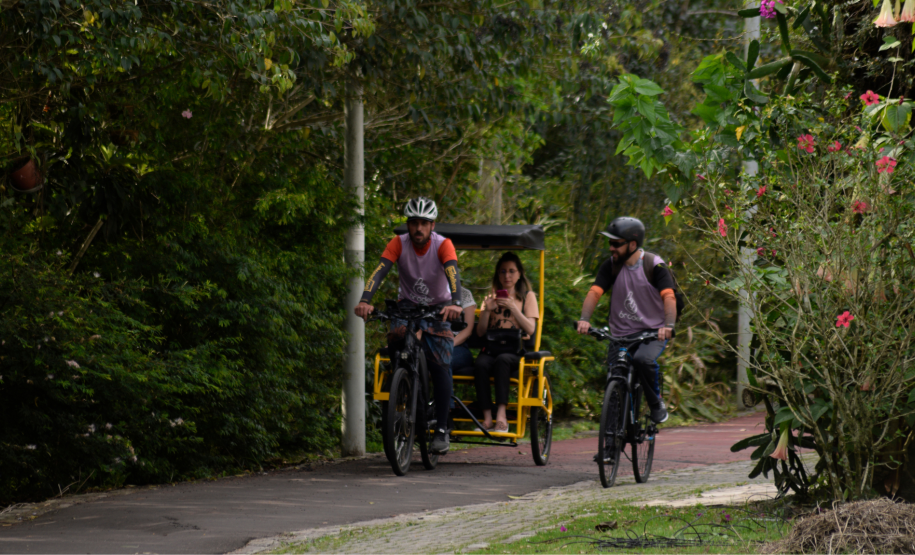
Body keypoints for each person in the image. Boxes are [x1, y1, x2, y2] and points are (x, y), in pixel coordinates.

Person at [354, 197, 463, 454]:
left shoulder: (443, 245)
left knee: (440, 363)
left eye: (424, 223)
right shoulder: (398, 243)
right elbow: (379, 271)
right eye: (414, 222)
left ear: (432, 225)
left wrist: (456, 302)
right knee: (395, 341)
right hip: (407, 307)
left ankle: (442, 429)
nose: (418, 228)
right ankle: (403, 386)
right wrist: (364, 300)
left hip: (439, 309)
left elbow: (453, 273)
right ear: (408, 224)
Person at [576, 217, 676, 425]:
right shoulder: (611, 266)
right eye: (610, 243)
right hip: (620, 334)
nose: (611, 248)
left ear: (632, 244)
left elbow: (669, 296)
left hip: (652, 332)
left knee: (642, 360)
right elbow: (595, 292)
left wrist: (668, 326)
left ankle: (656, 403)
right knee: (615, 377)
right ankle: (611, 443)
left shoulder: (654, 265)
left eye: (616, 244)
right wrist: (584, 320)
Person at [474, 252, 539, 433]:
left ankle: (501, 417)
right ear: (498, 274)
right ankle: (487, 419)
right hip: (491, 348)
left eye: (511, 271)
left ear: (519, 274)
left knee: (502, 360)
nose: (507, 276)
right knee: (480, 364)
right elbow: (480, 332)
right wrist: (487, 311)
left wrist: (513, 308)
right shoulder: (490, 297)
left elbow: (531, 329)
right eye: (502, 271)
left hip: (514, 351)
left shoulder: (527, 297)